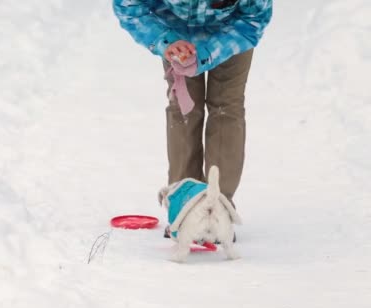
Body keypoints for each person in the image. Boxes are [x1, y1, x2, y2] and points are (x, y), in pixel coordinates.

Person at [113, 0, 272, 207]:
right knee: (183, 108)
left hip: (232, 32)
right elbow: (128, 7)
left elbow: (254, 18)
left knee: (226, 108)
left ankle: (218, 206)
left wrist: (207, 55)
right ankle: (184, 201)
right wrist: (166, 42)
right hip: (176, 33)